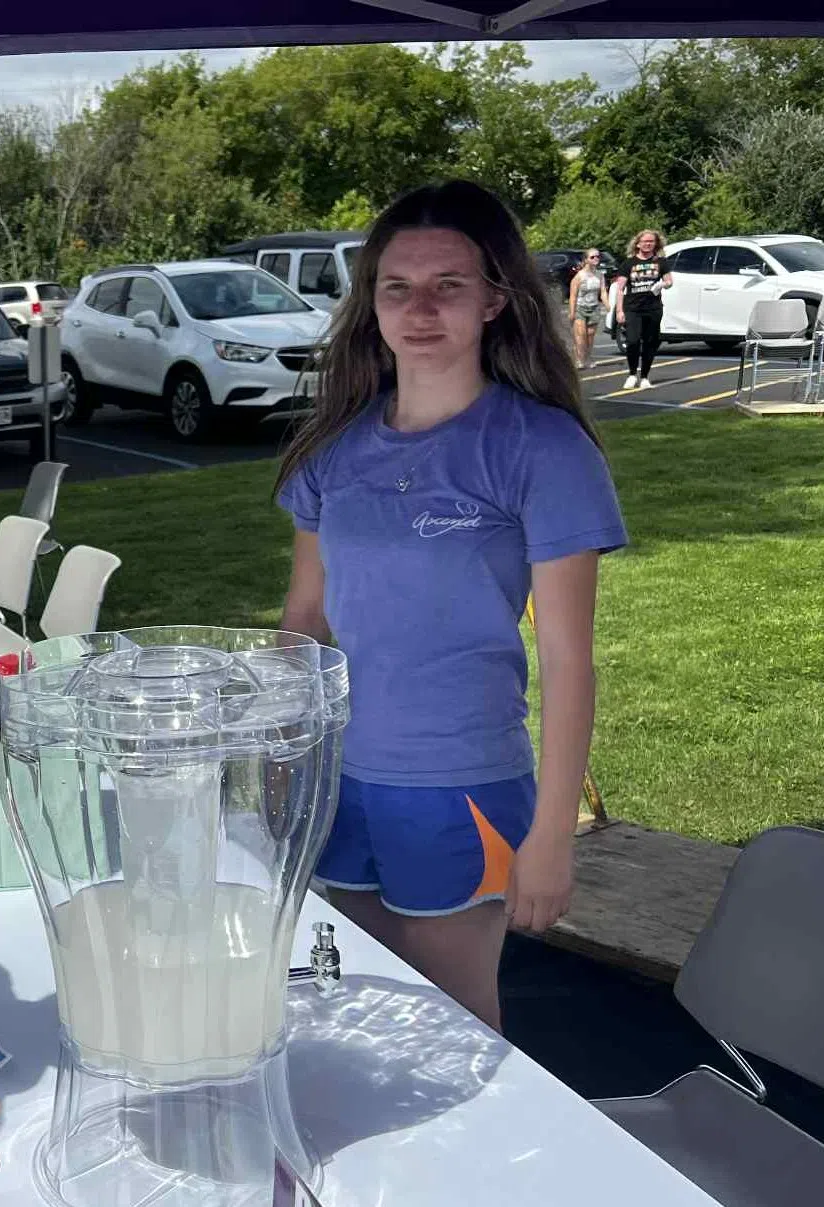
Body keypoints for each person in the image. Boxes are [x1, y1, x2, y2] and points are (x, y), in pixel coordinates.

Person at [275, 180, 627, 1031]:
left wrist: (552, 834)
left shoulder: (540, 449)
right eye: (397, 287)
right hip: (339, 785)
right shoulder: (334, 450)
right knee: (340, 1003)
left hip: (460, 788)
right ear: (372, 303)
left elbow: (569, 661)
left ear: (497, 300)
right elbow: (302, 627)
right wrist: (278, 760)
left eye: (449, 286)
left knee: (453, 1026)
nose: (420, 308)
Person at [613, 229, 672, 390]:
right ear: (638, 243)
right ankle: (632, 374)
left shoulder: (661, 262)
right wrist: (619, 310)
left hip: (653, 308)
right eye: (645, 241)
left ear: (656, 244)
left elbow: (669, 281)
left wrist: (661, 284)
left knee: (650, 342)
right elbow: (620, 288)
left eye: (651, 242)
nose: (648, 244)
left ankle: (645, 376)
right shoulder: (629, 264)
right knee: (632, 341)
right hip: (633, 308)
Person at [567, 249, 607, 369]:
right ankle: (579, 359)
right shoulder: (579, 276)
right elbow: (573, 296)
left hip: (594, 307)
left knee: (590, 335)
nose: (596, 259)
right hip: (580, 307)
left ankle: (587, 357)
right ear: (586, 260)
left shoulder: (599, 275)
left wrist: (607, 304)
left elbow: (603, 291)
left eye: (597, 257)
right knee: (581, 334)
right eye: (592, 257)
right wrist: (572, 312)